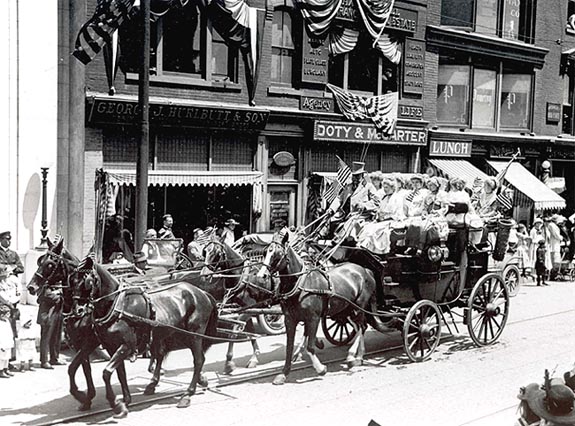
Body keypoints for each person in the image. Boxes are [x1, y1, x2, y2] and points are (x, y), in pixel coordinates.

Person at [36, 282, 64, 369]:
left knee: (56, 337)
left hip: (57, 313)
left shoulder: (58, 283)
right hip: (47, 315)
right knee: (46, 338)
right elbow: (48, 295)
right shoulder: (45, 283)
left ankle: (54, 358)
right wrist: (60, 295)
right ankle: (44, 361)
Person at [0, 304, 14, 378]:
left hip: (8, 342)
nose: (8, 315)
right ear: (2, 315)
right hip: (2, 344)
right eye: (7, 314)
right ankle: (1, 371)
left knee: (7, 357)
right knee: (2, 358)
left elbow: (9, 331)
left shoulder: (7, 321)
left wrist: (11, 341)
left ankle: (6, 369)